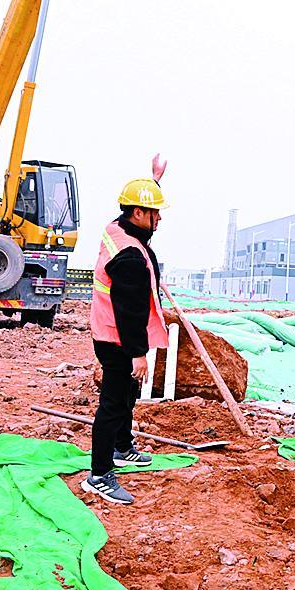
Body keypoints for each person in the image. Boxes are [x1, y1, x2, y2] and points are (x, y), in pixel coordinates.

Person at [81, 175, 176, 506]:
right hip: (116, 337)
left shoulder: (117, 230)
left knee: (126, 395)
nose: (159, 219)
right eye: (154, 212)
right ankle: (100, 475)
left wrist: (154, 181)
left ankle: (122, 449)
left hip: (109, 331)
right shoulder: (130, 256)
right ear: (137, 213)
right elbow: (129, 312)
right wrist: (138, 354)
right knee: (113, 403)